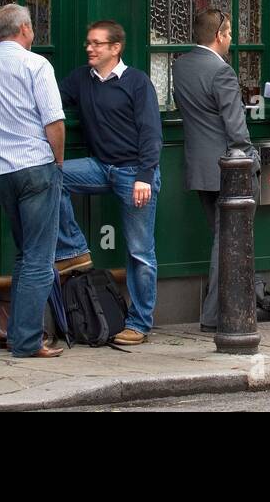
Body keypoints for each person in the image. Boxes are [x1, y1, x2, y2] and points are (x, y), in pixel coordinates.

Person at [0, 3, 65, 358]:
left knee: (25, 256)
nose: (33, 34)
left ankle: (18, 334)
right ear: (23, 29)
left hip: (1, 171)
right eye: (32, 28)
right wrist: (59, 161)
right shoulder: (36, 64)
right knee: (39, 258)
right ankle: (27, 341)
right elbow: (54, 121)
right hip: (36, 166)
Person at [54, 21, 162, 345]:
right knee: (51, 175)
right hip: (101, 167)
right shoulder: (80, 80)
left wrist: (145, 177)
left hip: (134, 174)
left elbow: (152, 134)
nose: (90, 48)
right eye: (89, 43)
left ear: (115, 48)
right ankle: (73, 248)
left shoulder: (137, 82)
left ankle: (140, 323)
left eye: (98, 44)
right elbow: (49, 102)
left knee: (140, 252)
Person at [172, 8, 253, 332]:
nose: (231, 39)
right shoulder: (222, 72)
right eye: (230, 33)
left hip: (199, 167)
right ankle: (216, 315)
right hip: (227, 167)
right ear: (219, 35)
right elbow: (236, 129)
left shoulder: (181, 66)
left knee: (222, 239)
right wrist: (251, 158)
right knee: (230, 242)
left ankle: (249, 297)